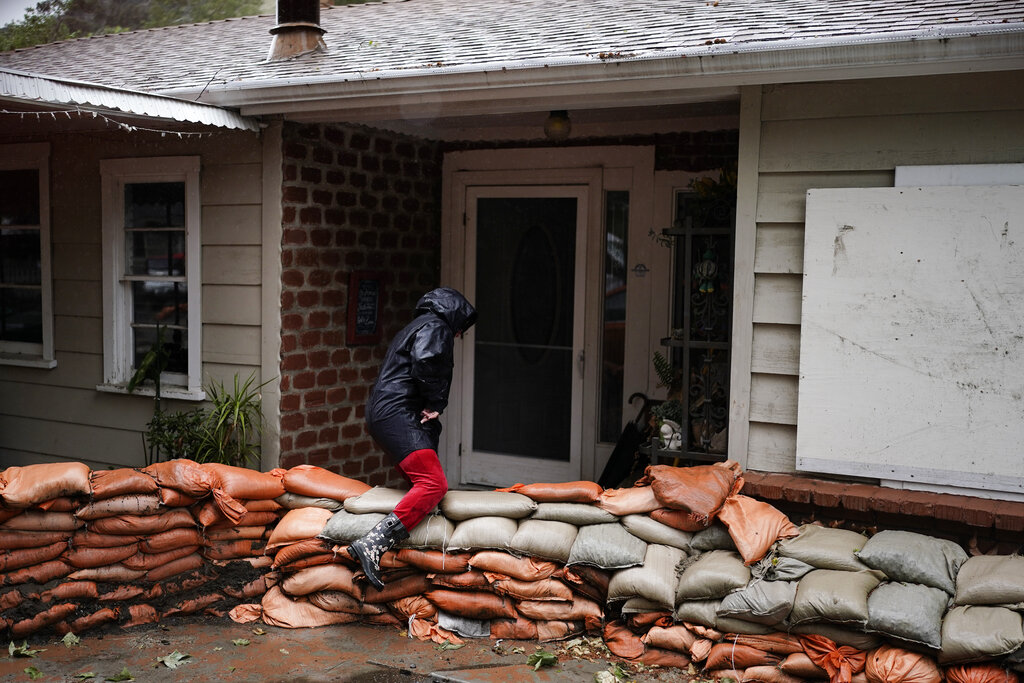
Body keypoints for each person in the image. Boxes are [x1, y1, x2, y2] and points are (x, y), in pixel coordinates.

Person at [348, 287, 477, 590]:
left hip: (386, 412)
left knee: (421, 488)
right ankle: (371, 543)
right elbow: (428, 361)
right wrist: (435, 403)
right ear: (454, 317)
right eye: (461, 328)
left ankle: (410, 553)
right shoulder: (436, 326)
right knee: (434, 484)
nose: (458, 335)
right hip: (397, 413)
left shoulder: (417, 325)